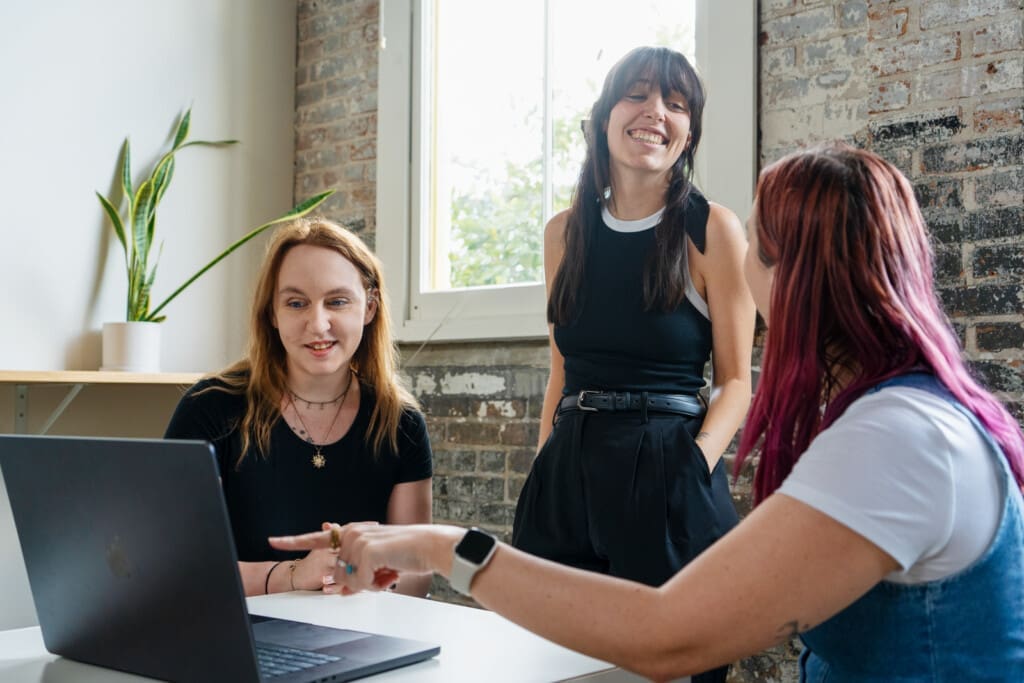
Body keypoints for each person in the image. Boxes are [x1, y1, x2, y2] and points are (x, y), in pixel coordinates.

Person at [270, 143, 1024, 681]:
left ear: (800, 274)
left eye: (758, 255)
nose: (748, 287)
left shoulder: (899, 440)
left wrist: (439, 548)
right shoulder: (901, 421)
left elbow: (667, 635)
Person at [511, 46, 755, 681]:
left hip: (667, 465)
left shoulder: (712, 228)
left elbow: (735, 383)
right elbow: (562, 370)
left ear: (689, 133)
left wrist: (690, 468)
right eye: (639, 95)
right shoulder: (564, 232)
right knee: (552, 665)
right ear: (604, 116)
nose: (655, 113)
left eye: (676, 104)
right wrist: (546, 468)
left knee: (672, 667)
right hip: (568, 472)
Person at [165, 218, 433, 598]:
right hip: (240, 636)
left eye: (337, 301)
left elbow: (416, 577)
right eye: (296, 303)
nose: (318, 323)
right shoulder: (209, 408)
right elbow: (178, 567)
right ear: (272, 313)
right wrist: (293, 574)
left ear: (369, 308)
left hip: (361, 634)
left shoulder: (401, 423)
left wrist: (375, 572)